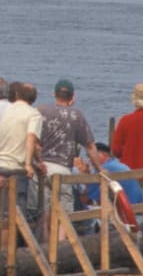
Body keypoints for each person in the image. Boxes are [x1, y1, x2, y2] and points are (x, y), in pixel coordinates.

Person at [38, 79, 101, 234]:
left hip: (42, 167)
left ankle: (46, 244)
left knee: (45, 209)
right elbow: (90, 146)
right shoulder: (76, 115)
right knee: (65, 211)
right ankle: (59, 245)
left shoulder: (41, 111)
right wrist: (99, 168)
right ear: (72, 97)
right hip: (62, 169)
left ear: (54, 94)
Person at [0, 81, 44, 221]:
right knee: (13, 214)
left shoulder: (7, 109)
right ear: (33, 99)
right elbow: (30, 137)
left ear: (17, 95)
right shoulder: (33, 114)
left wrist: (37, 161)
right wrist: (29, 165)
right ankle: (9, 243)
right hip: (14, 167)